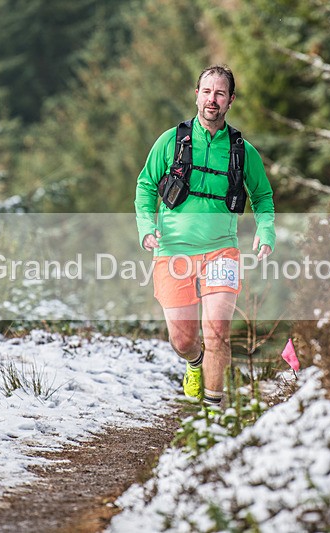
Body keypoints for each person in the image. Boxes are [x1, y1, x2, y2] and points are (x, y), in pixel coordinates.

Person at [135, 65, 275, 408]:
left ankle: (213, 413)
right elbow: (145, 187)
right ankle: (193, 363)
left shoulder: (243, 151)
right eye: (207, 92)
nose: (213, 99)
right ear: (197, 95)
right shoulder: (171, 141)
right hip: (172, 250)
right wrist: (145, 227)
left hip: (221, 252)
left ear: (230, 101)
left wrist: (265, 230)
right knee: (183, 339)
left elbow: (263, 196)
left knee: (216, 332)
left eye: (221, 93)